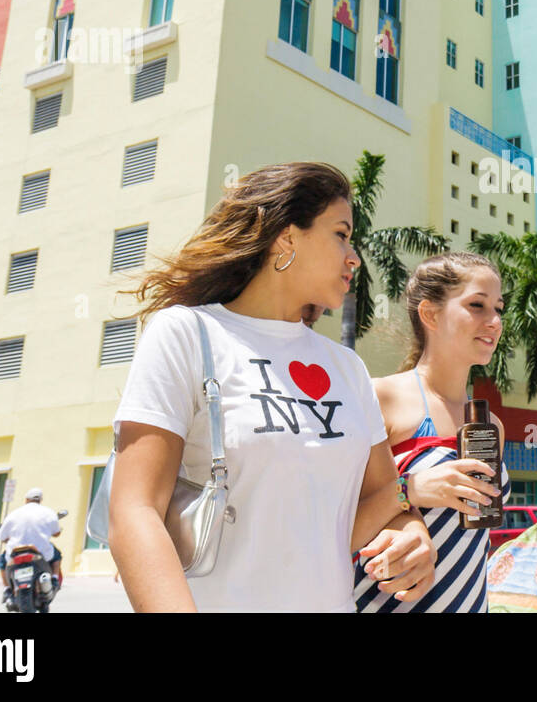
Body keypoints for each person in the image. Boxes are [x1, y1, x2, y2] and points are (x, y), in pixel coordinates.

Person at [108, 162, 435, 611]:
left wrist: (412, 531)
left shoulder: (347, 368)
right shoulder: (187, 333)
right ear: (287, 237)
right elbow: (134, 511)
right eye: (341, 234)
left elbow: (382, 500)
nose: (354, 255)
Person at [353, 252, 511, 612]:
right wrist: (412, 489)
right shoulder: (383, 397)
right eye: (477, 305)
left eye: (498, 308)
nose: (494, 321)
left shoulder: (492, 425)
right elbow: (336, 521)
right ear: (430, 314)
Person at [0, 487, 63, 601]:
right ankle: (54, 578)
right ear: (40, 500)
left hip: (15, 552)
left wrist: (8, 539)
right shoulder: (48, 512)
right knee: (57, 557)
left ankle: (7, 589)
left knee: (2, 562)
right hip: (40, 552)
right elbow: (57, 532)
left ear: (26, 500)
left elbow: (2, 537)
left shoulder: (14, 513)